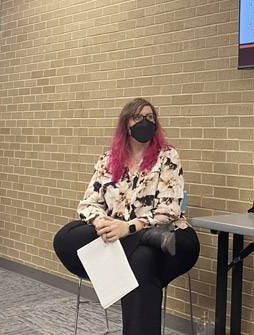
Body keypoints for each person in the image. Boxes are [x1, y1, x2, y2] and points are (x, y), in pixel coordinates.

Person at [53, 98, 199, 334]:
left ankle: (143, 240)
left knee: (142, 261)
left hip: (168, 237)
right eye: (138, 117)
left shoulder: (167, 156)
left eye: (150, 117)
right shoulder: (108, 159)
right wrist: (101, 221)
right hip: (118, 236)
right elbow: (88, 203)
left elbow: (170, 209)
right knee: (65, 237)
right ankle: (140, 241)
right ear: (126, 124)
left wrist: (129, 227)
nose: (145, 122)